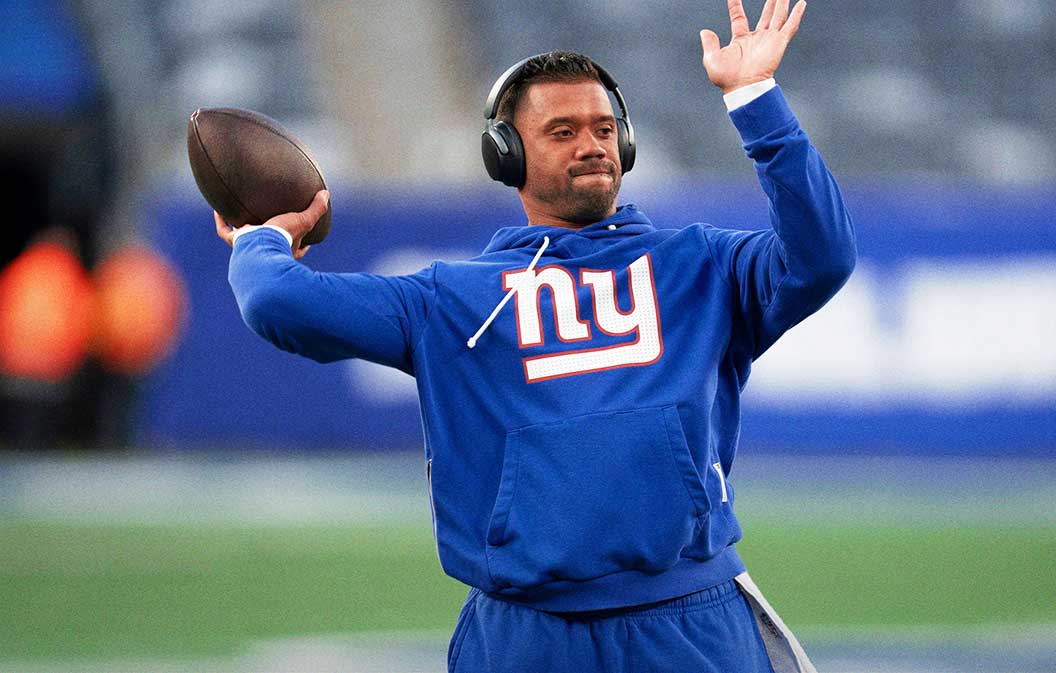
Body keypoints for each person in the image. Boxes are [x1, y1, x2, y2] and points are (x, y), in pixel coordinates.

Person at [216, 1, 854, 670]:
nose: (592, 144)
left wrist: (755, 98)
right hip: (525, 633)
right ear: (507, 153)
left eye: (605, 128)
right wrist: (263, 236)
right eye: (562, 130)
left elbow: (823, 256)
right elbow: (276, 301)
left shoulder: (704, 266)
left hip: (690, 616)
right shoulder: (451, 299)